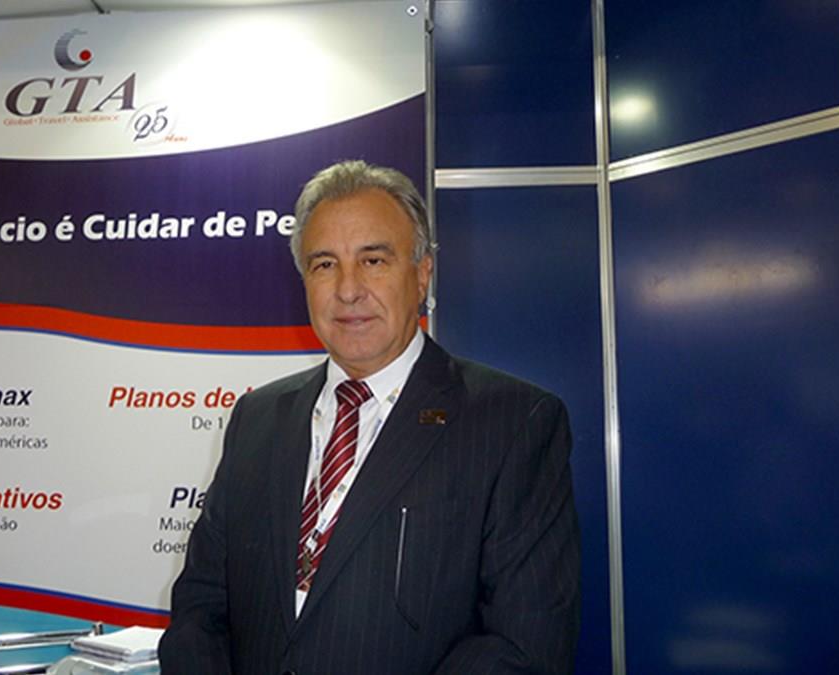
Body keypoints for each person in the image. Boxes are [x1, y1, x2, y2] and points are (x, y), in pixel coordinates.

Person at [159, 160, 580, 674]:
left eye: (374, 260)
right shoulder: (257, 418)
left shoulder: (514, 423)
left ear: (422, 274)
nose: (348, 289)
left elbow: (524, 644)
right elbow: (200, 605)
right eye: (324, 264)